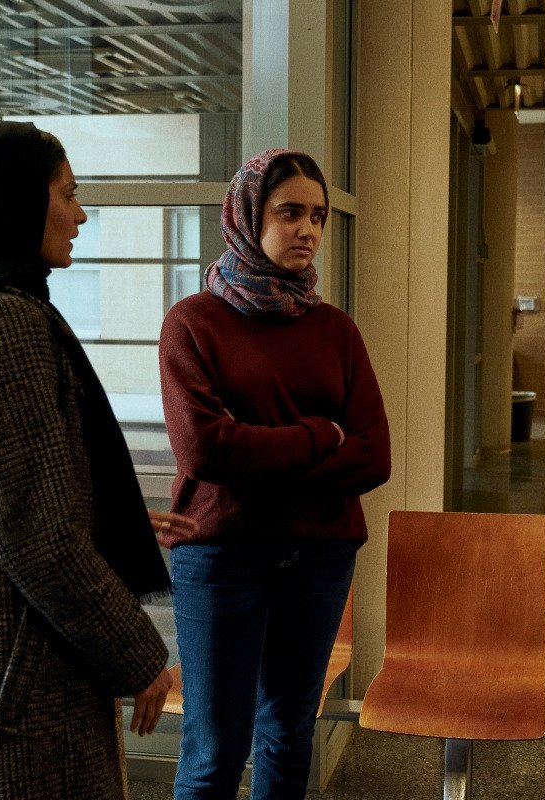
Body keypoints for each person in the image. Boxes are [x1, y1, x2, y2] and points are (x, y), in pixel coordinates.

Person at [0, 121, 197, 800]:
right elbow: (39, 538)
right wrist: (139, 655)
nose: (80, 215)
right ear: (16, 197)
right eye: (67, 194)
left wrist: (97, 510)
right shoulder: (6, 318)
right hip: (9, 650)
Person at [158, 149, 391, 800]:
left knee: (289, 734)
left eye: (317, 216)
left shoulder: (336, 330)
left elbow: (373, 456)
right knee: (215, 748)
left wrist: (256, 457)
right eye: (290, 213)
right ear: (247, 214)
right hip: (221, 554)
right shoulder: (192, 322)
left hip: (319, 555)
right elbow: (204, 451)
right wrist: (320, 436)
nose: (307, 230)